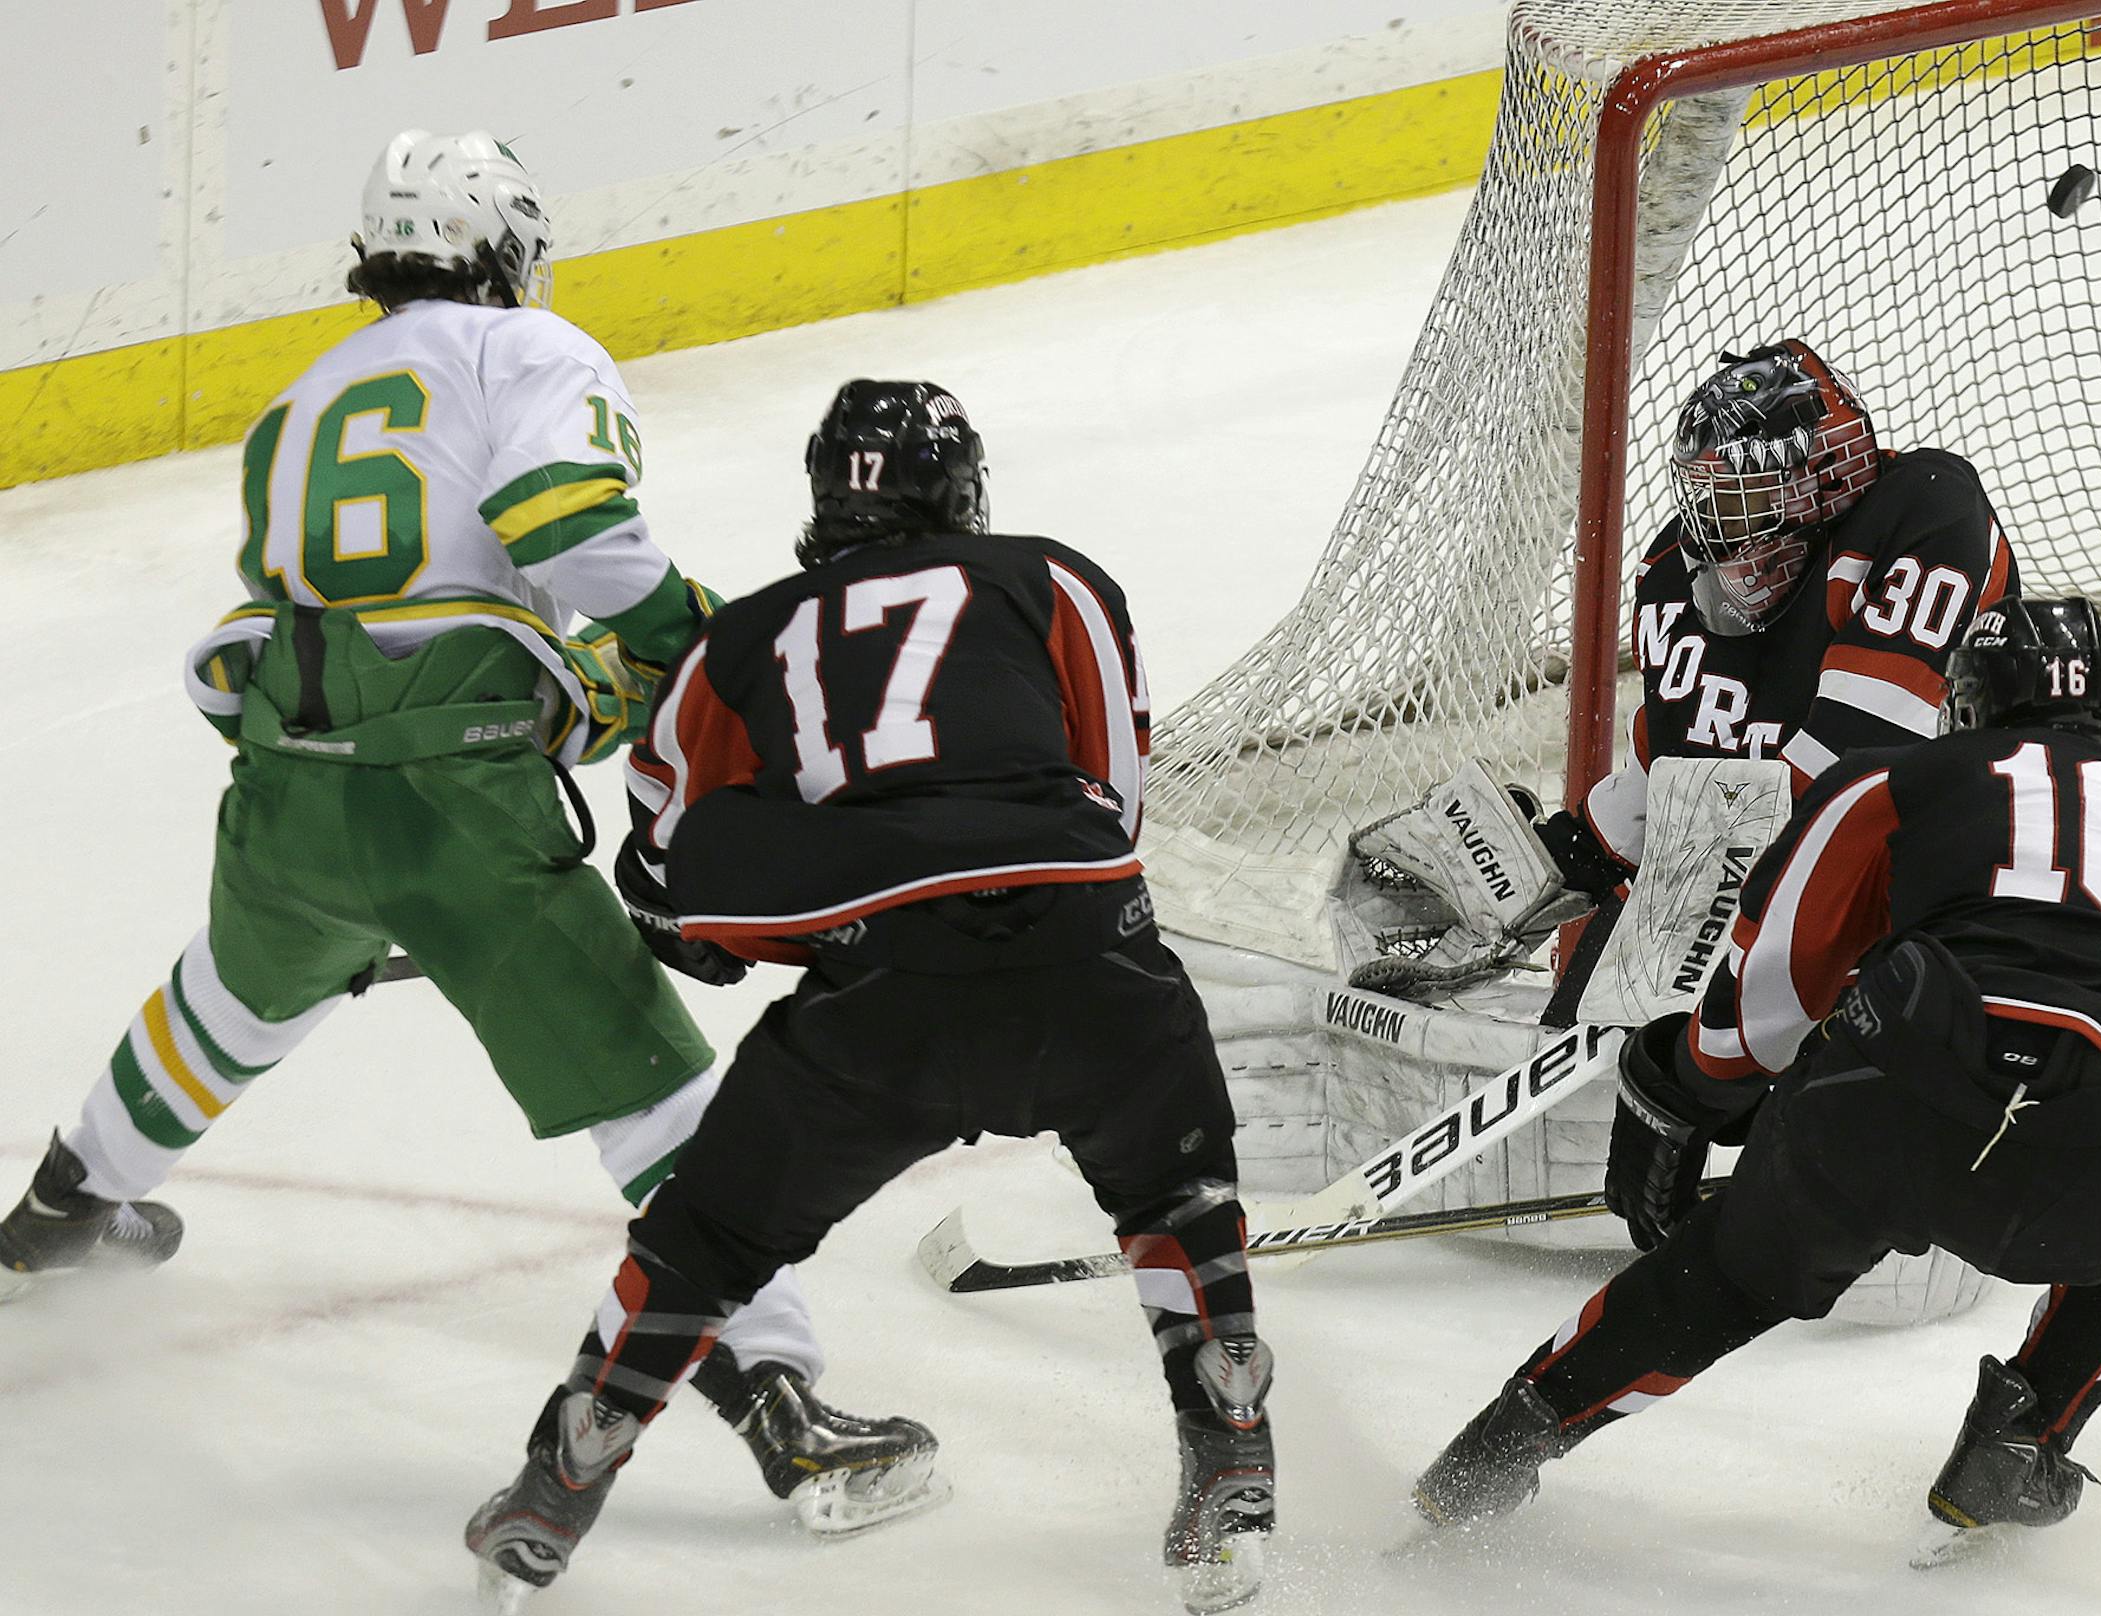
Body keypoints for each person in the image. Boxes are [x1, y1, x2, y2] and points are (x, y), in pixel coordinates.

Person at [0, 129, 939, 1532]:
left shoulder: (302, 394)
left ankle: (60, 1216)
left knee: (233, 994)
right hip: (449, 795)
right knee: (651, 1086)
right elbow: (563, 525)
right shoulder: (529, 353)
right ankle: (784, 1407)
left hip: (284, 774)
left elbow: (375, 593)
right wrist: (693, 645)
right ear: (502, 240)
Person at [465, 380, 1276, 1614]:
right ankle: (1229, 1453)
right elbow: (1115, 801)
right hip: (1088, 960)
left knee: (711, 1241)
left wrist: (743, 926)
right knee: (1177, 1193)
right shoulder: (1052, 577)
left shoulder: (738, 639)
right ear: (964, 491)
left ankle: (556, 1483)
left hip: (885, 993)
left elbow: (671, 867)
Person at [1412, 597, 2101, 1565]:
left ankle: (1481, 1467)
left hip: (1906, 1089)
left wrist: (1680, 1095)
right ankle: (2025, 1434)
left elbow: (1759, 1010)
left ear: (1969, 703)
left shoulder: (1901, 777)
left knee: (1722, 1276)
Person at [1537, 339, 2016, 1016]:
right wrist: (1558, 856)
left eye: (1736, 502)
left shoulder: (1927, 512)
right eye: (1706, 502)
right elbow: (1678, 773)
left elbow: (1855, 769)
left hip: (1898, 889)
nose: (1712, 531)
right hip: (1730, 886)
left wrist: (1698, 885)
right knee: (1574, 1044)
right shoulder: (1675, 574)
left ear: (1817, 482)